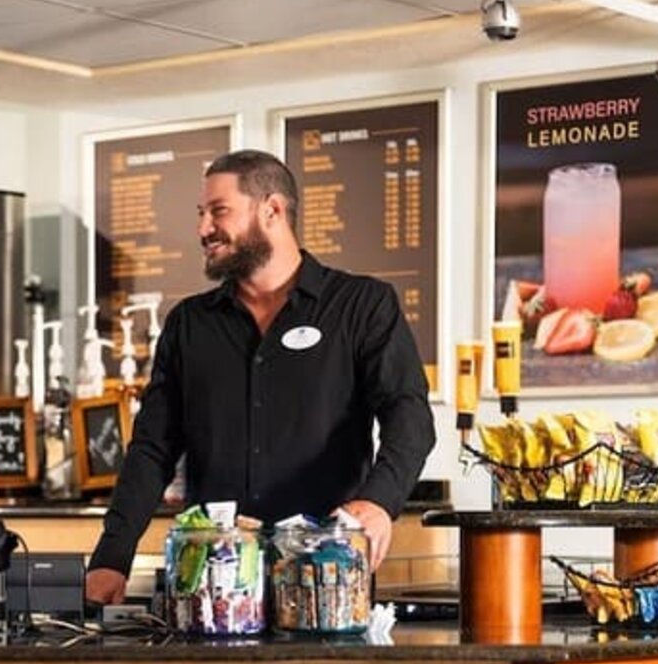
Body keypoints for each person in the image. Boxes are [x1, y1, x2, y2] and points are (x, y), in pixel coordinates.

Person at [85, 150, 437, 605]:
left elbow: (408, 415)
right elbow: (152, 448)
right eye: (201, 213)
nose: (203, 228)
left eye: (219, 211)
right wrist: (112, 556)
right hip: (214, 591)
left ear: (272, 210)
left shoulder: (362, 306)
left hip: (326, 581)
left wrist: (378, 502)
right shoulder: (189, 324)